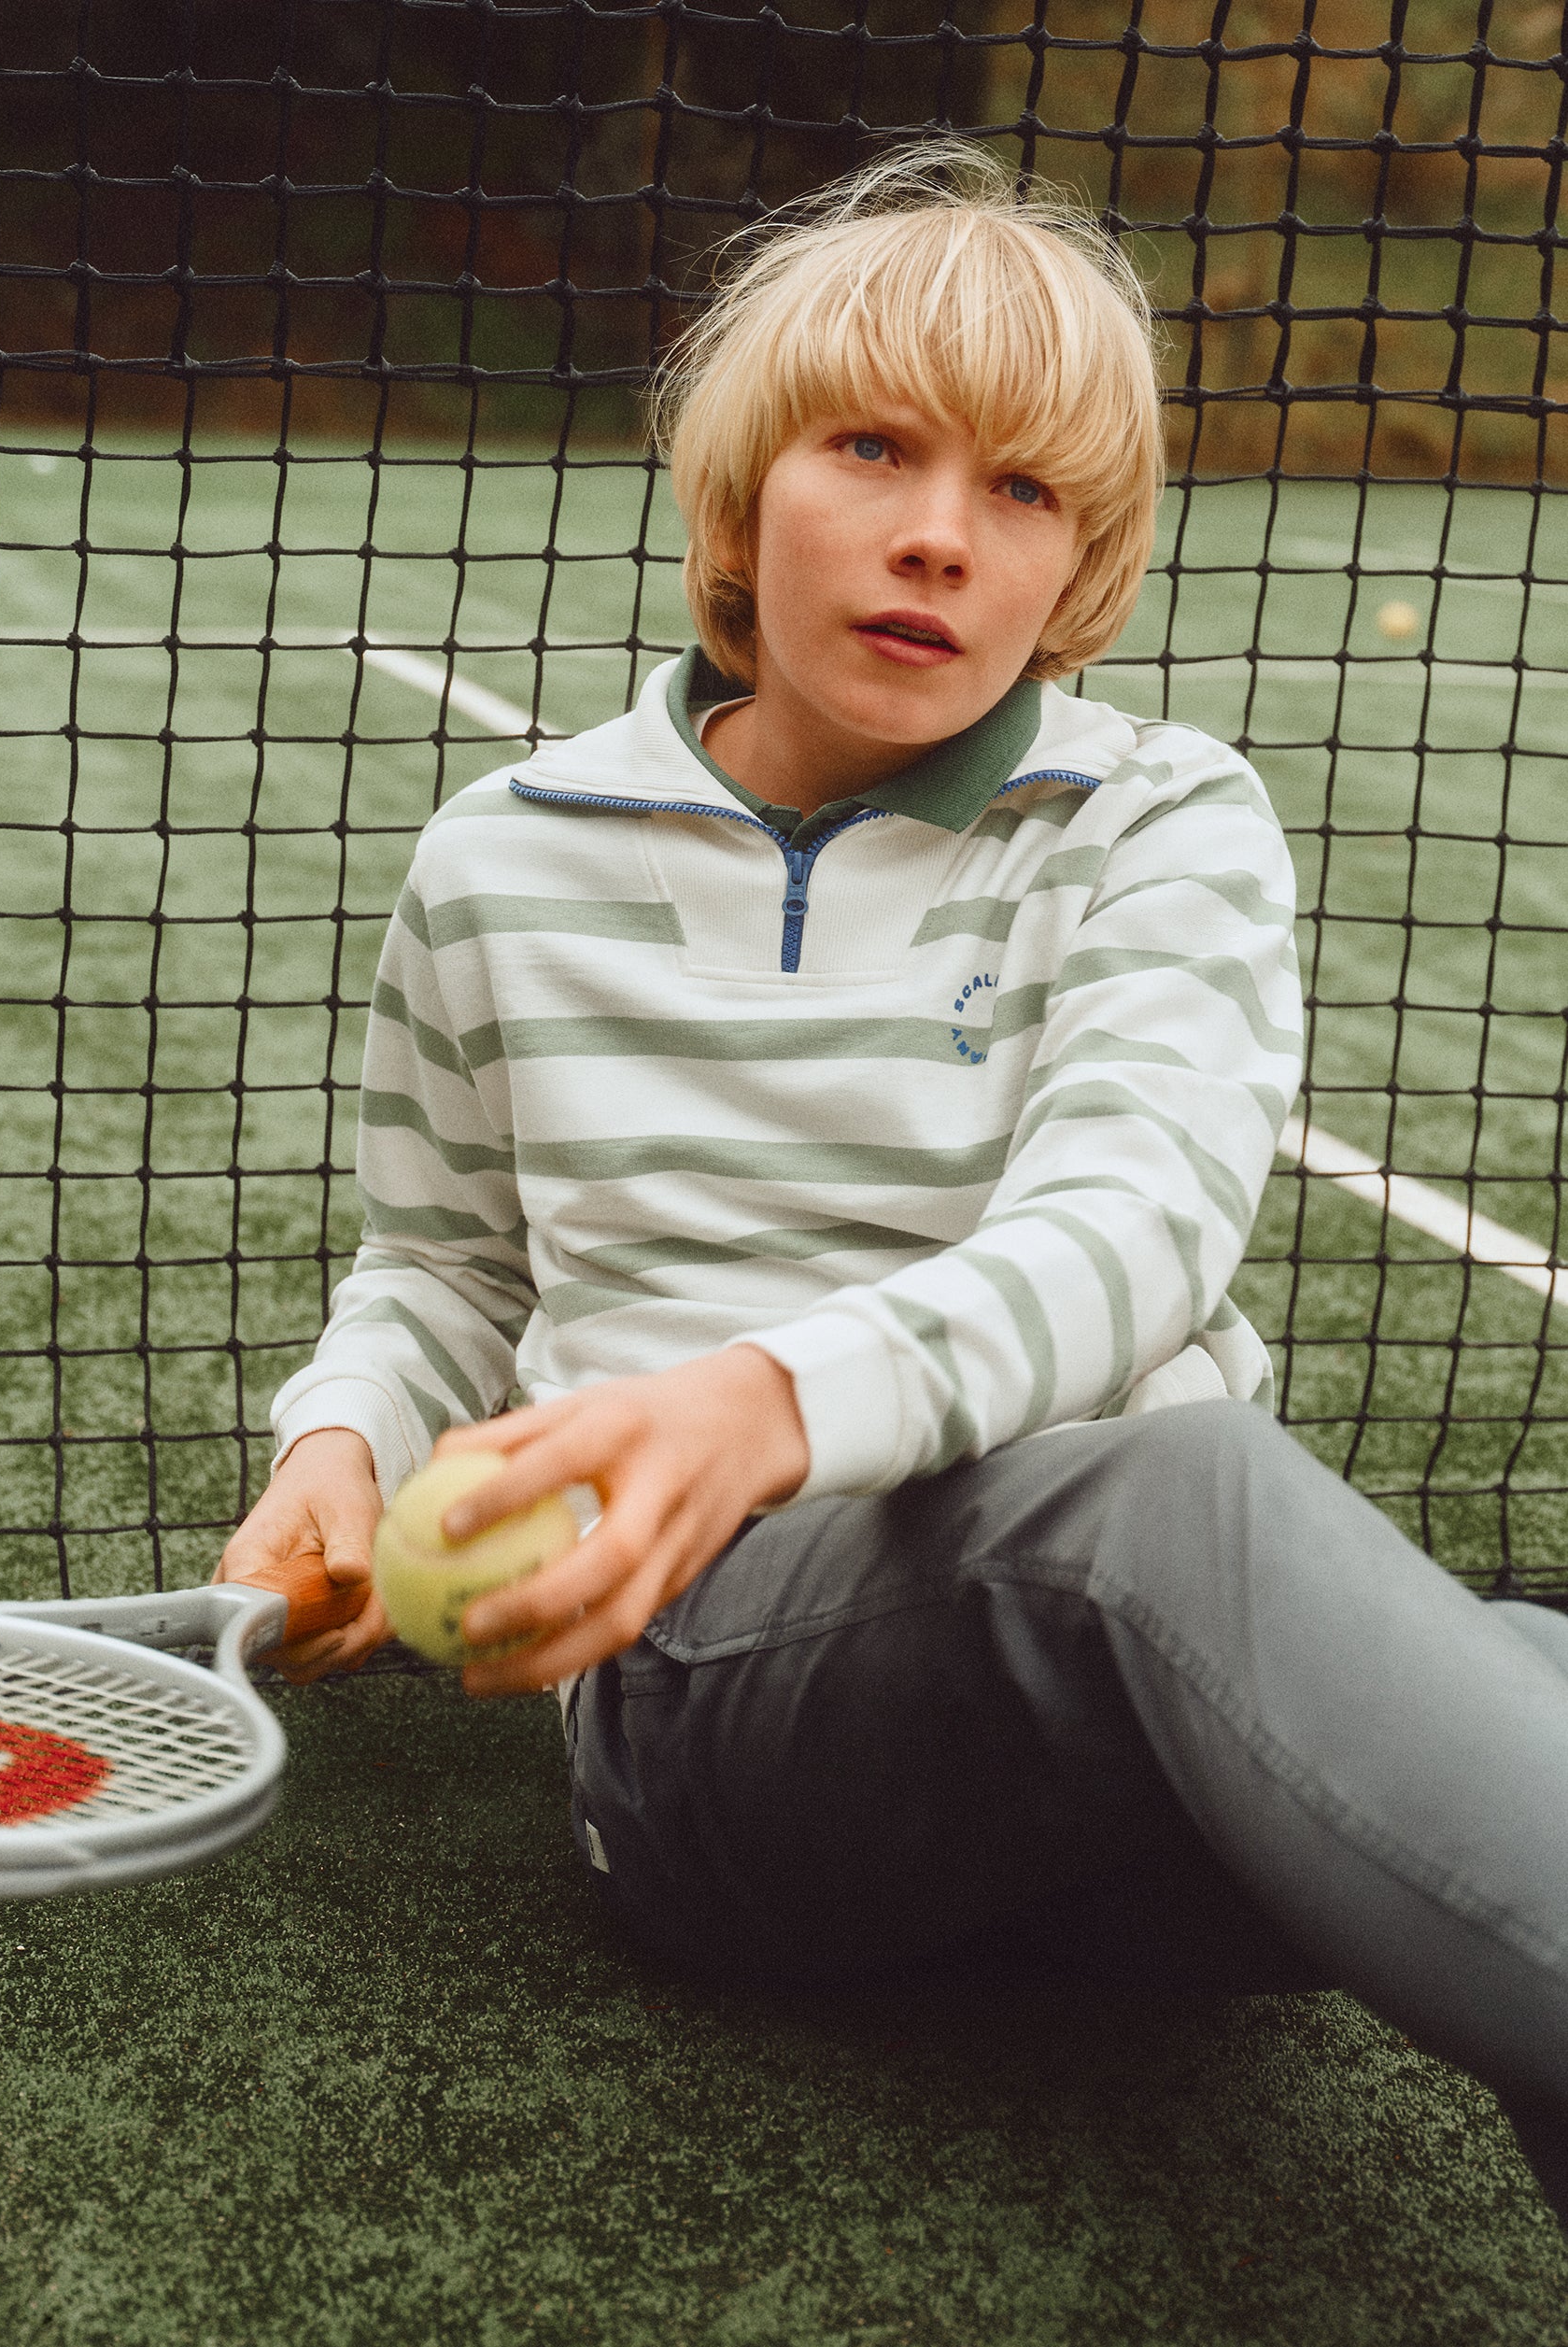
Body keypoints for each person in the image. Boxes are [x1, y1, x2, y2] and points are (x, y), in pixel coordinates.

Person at [218, 143, 1568, 2223]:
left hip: (1111, 1732)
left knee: (1484, 1668)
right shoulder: (503, 854)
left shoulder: (1162, 818)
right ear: (746, 493)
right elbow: (446, 1260)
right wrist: (339, 1438)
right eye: (871, 448)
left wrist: (754, 1394)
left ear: (1076, 564)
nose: (938, 537)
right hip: (714, 1724)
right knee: (1190, 1510)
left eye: (1020, 492)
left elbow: (1129, 1227)